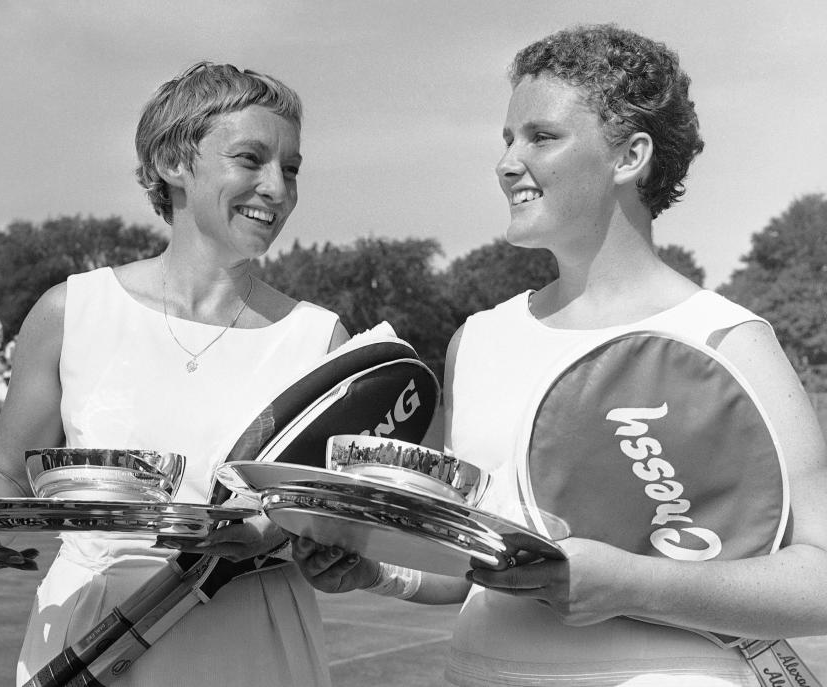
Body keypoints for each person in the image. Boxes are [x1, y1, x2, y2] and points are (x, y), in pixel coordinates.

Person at [292, 24, 827, 686]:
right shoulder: (478, 340)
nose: (507, 161)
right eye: (508, 140)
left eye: (541, 137)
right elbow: (480, 564)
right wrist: (380, 567)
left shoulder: (728, 340)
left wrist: (633, 583)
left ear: (629, 156)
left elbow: (821, 578)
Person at [0, 62, 348, 687]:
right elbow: (3, 469)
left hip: (255, 639)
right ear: (171, 162)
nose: (278, 188)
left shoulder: (321, 340)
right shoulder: (70, 310)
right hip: (88, 636)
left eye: (290, 168)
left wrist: (277, 532)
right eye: (251, 159)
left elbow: (331, 516)